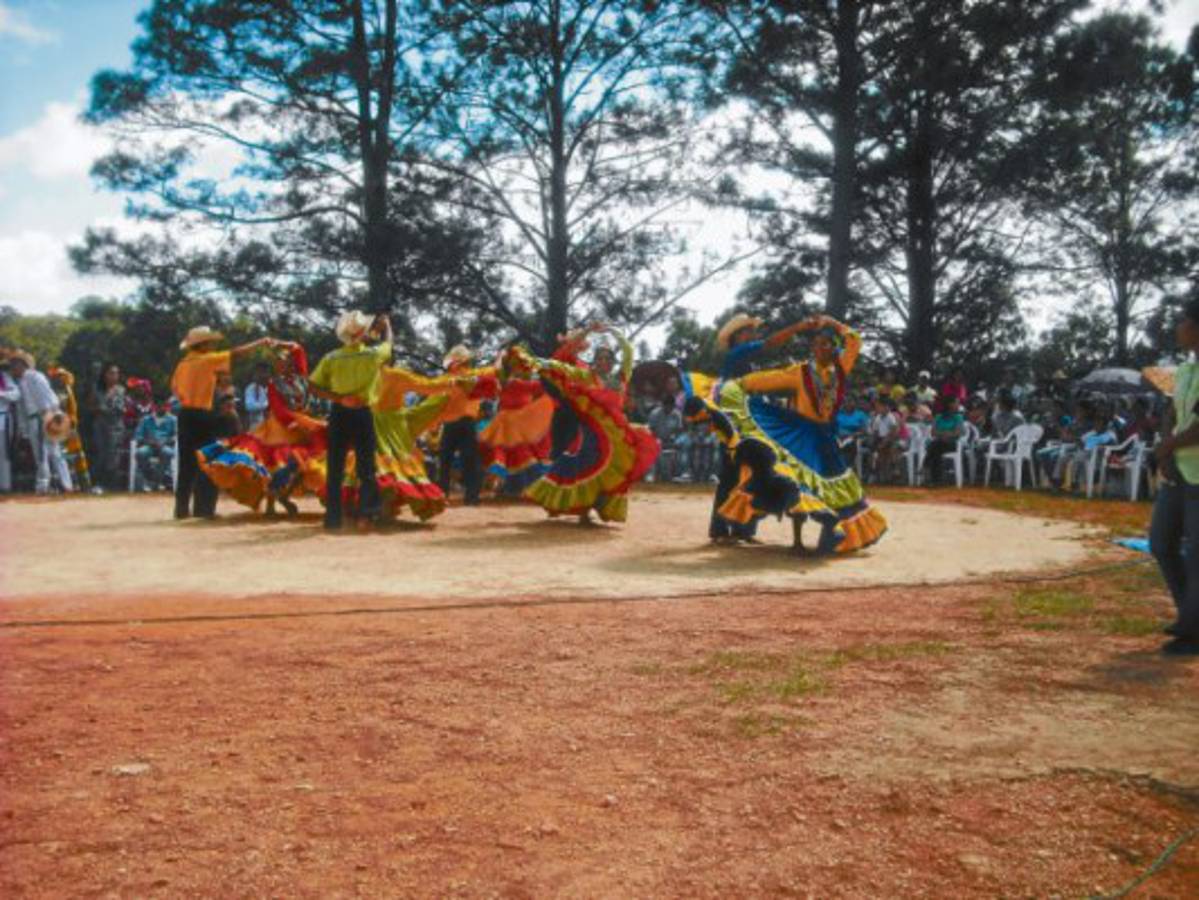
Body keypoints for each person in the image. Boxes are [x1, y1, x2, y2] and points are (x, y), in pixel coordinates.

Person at [687, 315, 887, 555]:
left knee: (829, 485)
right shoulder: (789, 368)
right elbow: (766, 372)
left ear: (835, 348)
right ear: (738, 335)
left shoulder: (839, 369)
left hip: (825, 436)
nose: (822, 349)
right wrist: (732, 388)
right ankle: (729, 531)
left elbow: (854, 340)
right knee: (777, 479)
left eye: (828, 344)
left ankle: (749, 531)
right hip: (788, 430)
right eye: (818, 345)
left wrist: (832, 322)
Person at [198, 342, 327, 513]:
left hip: (303, 424)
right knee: (275, 462)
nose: (280, 366)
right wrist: (296, 423)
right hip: (281, 428)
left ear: (291, 363)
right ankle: (271, 502)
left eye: (284, 362)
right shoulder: (275, 385)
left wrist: (282, 343)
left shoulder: (301, 377)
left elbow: (299, 350)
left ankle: (284, 495)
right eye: (278, 363)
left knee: (305, 463)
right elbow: (279, 410)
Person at [171, 325, 275, 519]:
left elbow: (175, 389)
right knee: (209, 461)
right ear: (203, 344)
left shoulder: (182, 364)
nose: (213, 345)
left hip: (185, 414)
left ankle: (181, 509)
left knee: (186, 464)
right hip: (203, 413)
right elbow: (236, 353)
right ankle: (204, 509)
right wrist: (260, 343)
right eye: (210, 342)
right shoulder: (208, 360)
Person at [307, 312, 393, 530]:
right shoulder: (372, 354)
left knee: (335, 467)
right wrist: (387, 327)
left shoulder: (331, 357)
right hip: (363, 413)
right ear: (363, 333)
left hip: (339, 412)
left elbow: (313, 386)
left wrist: (338, 398)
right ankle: (366, 515)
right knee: (366, 467)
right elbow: (389, 345)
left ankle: (332, 519)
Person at [1150, 297, 1199, 650]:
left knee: (1197, 552)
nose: (1177, 326)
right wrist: (1167, 441)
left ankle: (1190, 627)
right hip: (1179, 469)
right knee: (1162, 542)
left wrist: (1168, 446)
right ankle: (1190, 616)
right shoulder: (1185, 370)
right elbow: (1171, 411)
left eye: (1182, 320)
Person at [9, 350, 72, 494]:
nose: (12, 368)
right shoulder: (21, 381)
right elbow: (22, 408)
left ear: (22, 364)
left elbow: (48, 396)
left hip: (44, 416)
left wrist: (49, 416)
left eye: (14, 364)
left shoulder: (35, 377)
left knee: (48, 453)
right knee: (46, 454)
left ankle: (48, 485)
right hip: (34, 419)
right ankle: (58, 484)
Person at [434, 345, 485, 506]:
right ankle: (471, 497)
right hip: (467, 422)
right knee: (470, 460)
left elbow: (439, 403)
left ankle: (442, 494)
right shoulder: (475, 377)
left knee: (445, 460)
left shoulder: (447, 379)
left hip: (451, 422)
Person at [47, 366, 93, 493]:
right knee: (60, 457)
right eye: (57, 376)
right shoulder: (51, 392)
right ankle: (65, 485)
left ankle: (84, 485)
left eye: (61, 376)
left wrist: (71, 423)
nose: (59, 378)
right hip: (56, 429)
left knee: (76, 457)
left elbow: (73, 411)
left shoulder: (68, 391)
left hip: (70, 429)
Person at [91, 362, 127, 491]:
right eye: (111, 373)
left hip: (115, 426)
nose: (114, 376)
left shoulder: (121, 390)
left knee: (113, 455)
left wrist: (112, 409)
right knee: (100, 454)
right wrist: (99, 409)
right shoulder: (97, 389)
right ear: (105, 374)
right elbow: (91, 407)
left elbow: (122, 408)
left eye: (116, 373)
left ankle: (112, 485)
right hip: (100, 425)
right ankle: (98, 484)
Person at [133, 399, 177, 491]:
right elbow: (138, 435)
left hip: (165, 445)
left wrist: (165, 441)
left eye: (163, 406)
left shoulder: (173, 419)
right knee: (140, 453)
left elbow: (176, 435)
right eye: (158, 406)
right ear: (154, 407)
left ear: (167, 407)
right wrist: (148, 441)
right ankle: (151, 476)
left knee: (168, 453)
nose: (161, 408)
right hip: (149, 445)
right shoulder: (146, 419)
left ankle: (156, 481)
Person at [925, 396, 964, 485]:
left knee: (935, 446)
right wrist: (946, 433)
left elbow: (957, 433)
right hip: (940, 443)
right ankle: (937, 480)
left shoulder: (958, 417)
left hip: (952, 444)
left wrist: (943, 433)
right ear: (950, 405)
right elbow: (933, 432)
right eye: (957, 403)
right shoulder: (938, 417)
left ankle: (927, 466)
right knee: (937, 449)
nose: (959, 405)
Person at [647, 396, 684, 482]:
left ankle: (679, 474)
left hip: (671, 441)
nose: (669, 409)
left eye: (671, 407)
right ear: (663, 405)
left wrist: (674, 438)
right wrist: (657, 439)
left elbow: (679, 430)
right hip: (657, 440)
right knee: (655, 445)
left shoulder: (677, 415)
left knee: (681, 443)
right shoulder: (655, 414)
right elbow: (651, 430)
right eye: (667, 406)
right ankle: (651, 474)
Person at [0, 351, 22, 492]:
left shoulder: (4, 377)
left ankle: (5, 486)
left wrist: (1, 393)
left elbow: (16, 394)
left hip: (2, 419)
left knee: (3, 454)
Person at [869, 396, 902, 484]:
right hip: (881, 438)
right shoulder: (878, 417)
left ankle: (896, 470)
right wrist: (875, 442)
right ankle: (874, 473)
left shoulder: (891, 417)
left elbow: (893, 432)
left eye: (880, 406)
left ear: (887, 407)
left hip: (891, 439)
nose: (878, 408)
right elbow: (875, 432)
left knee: (892, 448)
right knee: (874, 451)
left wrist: (883, 443)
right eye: (878, 406)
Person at [243, 362, 271, 431]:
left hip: (272, 427)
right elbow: (249, 406)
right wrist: (267, 404)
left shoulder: (272, 387)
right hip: (257, 426)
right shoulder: (251, 388)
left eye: (265, 371)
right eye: (260, 372)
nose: (263, 375)